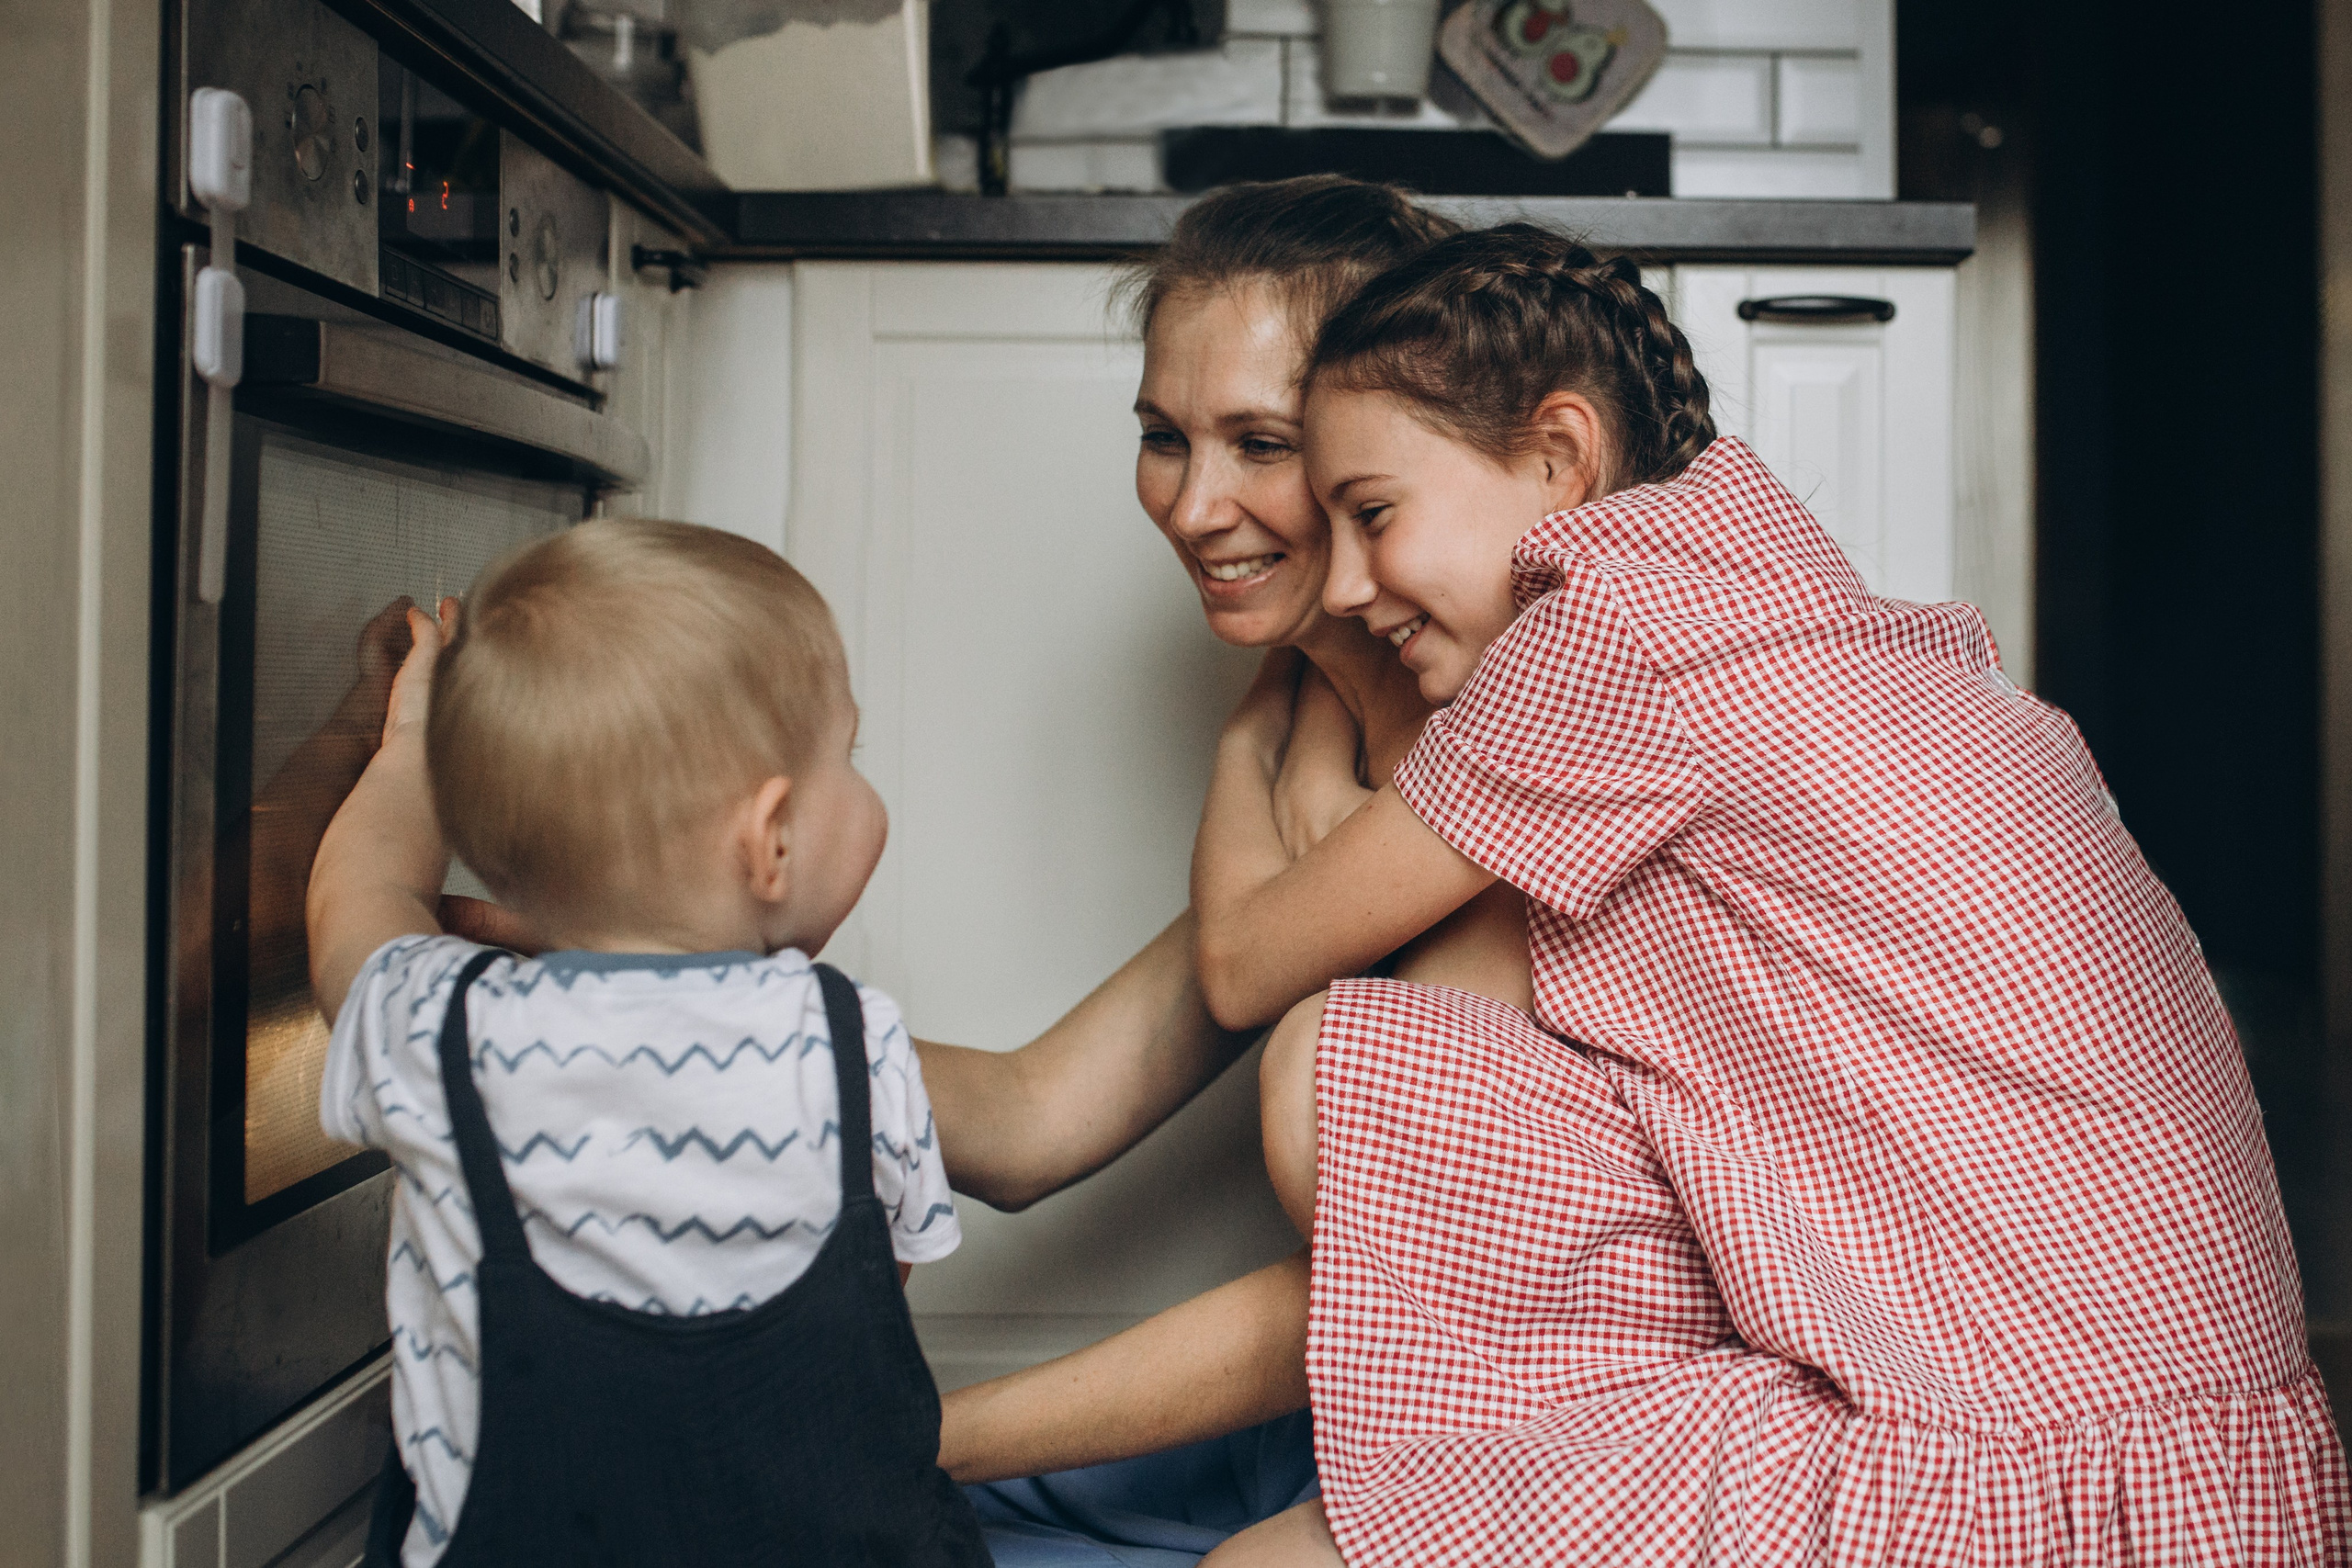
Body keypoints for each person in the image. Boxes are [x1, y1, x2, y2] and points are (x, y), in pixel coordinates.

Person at [1183, 223, 2351, 1562]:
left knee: (1326, 1099)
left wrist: (1261, 713)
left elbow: (1246, 960)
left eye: (1373, 513)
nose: (1342, 580)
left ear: (1559, 456)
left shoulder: (1607, 631)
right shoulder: (1825, 622)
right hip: (2221, 1479)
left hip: (2009, 1475)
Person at [917, 179, 1534, 1564]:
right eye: (1160, 436)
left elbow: (1396, 1294)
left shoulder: (1505, 744)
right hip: (1359, 1398)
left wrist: (911, 1431)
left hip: (1544, 1418)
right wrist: (657, 998)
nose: (1194, 506)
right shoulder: (1315, 740)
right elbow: (1031, 1117)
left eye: (1259, 441)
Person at [307, 520, 989, 1567]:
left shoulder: (436, 1027)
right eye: (848, 758)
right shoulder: (857, 1044)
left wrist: (412, 751)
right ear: (769, 841)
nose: (863, 785)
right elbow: (863, 1308)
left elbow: (360, 896)